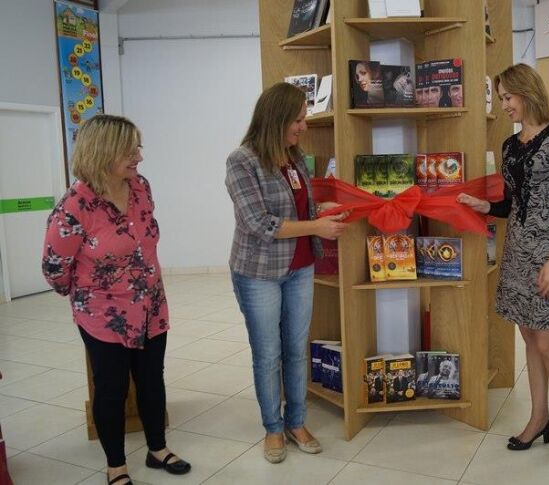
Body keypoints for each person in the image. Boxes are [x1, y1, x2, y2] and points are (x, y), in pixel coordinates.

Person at [41, 115, 191, 485]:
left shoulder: (140, 188)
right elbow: (53, 265)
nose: (139, 156)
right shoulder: (76, 205)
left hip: (151, 305)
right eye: (130, 149)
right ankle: (116, 465)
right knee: (111, 389)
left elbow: (145, 240)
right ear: (104, 151)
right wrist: (83, 297)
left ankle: (157, 449)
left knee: (152, 380)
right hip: (103, 314)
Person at [457, 63, 549, 467]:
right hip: (516, 253)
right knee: (530, 338)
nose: (503, 105)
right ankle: (538, 416)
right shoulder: (510, 146)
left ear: (527, 93)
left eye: (507, 97)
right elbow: (514, 203)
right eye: (500, 97)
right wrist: (485, 206)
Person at [225, 82, 348, 464]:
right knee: (268, 354)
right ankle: (273, 429)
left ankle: (296, 422)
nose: (303, 127)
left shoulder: (293, 158)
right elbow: (260, 223)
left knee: (296, 350)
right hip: (258, 273)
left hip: (299, 268)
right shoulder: (241, 161)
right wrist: (317, 228)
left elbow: (296, 209)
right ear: (276, 119)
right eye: (298, 119)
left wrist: (320, 209)